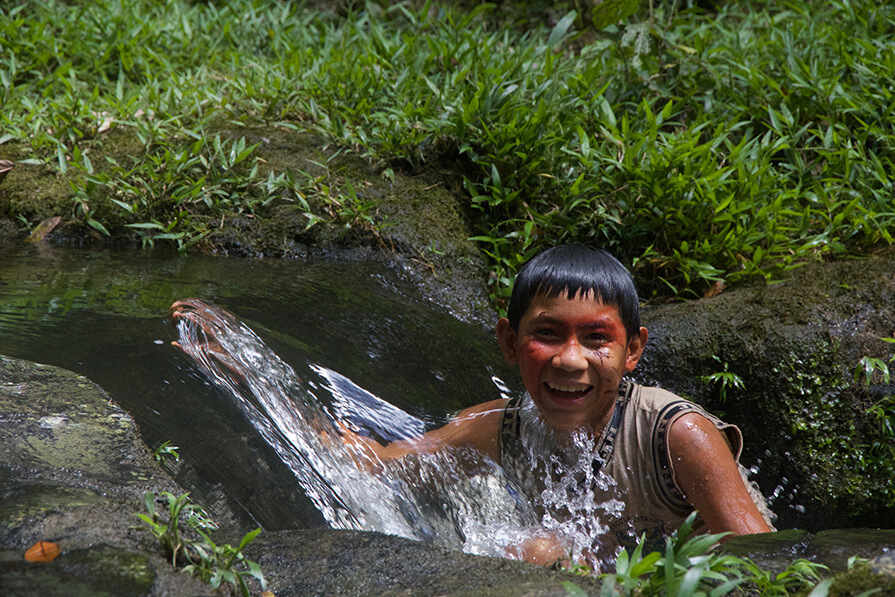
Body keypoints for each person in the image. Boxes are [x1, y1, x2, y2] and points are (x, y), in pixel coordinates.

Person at [337, 244, 774, 566]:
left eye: (597, 338)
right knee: (535, 551)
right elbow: (386, 465)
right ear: (509, 342)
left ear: (633, 351)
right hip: (593, 578)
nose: (569, 359)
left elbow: (765, 559)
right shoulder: (498, 426)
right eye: (547, 334)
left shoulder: (674, 435)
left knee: (540, 551)